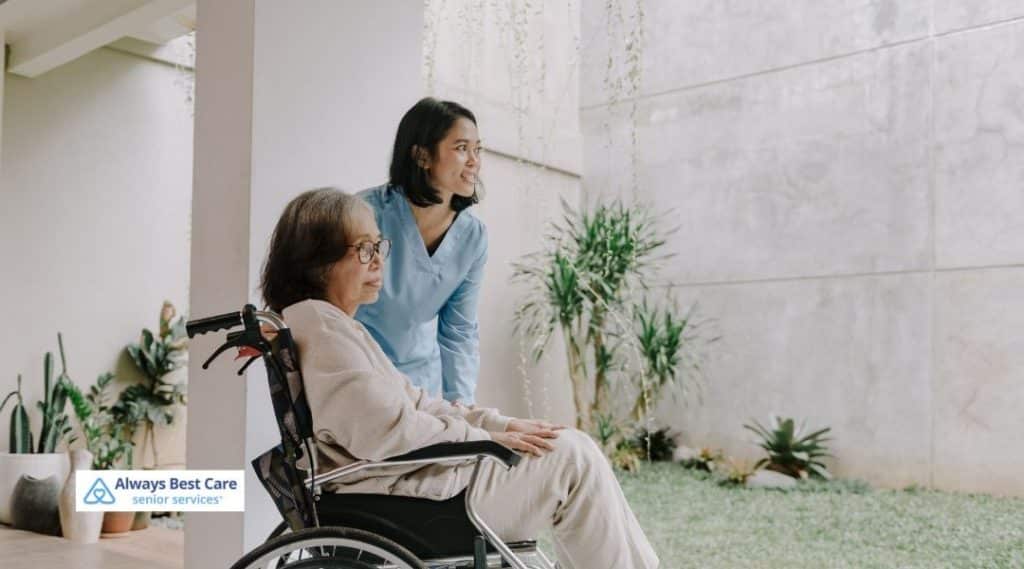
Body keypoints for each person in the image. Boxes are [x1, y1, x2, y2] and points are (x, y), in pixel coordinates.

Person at [259, 188, 659, 569]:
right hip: (412, 498)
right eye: (364, 249)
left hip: (407, 483)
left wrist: (499, 426)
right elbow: (385, 430)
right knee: (574, 458)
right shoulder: (324, 328)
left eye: (379, 246)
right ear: (317, 261)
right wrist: (484, 441)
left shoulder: (326, 324)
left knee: (571, 448)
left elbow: (416, 404)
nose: (379, 261)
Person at [356, 97, 486, 403]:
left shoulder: (473, 237)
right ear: (422, 156)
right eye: (461, 148)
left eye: (477, 149)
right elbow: (329, 305)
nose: (474, 161)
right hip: (360, 376)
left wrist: (462, 408)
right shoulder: (364, 214)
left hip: (421, 389)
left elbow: (459, 332)